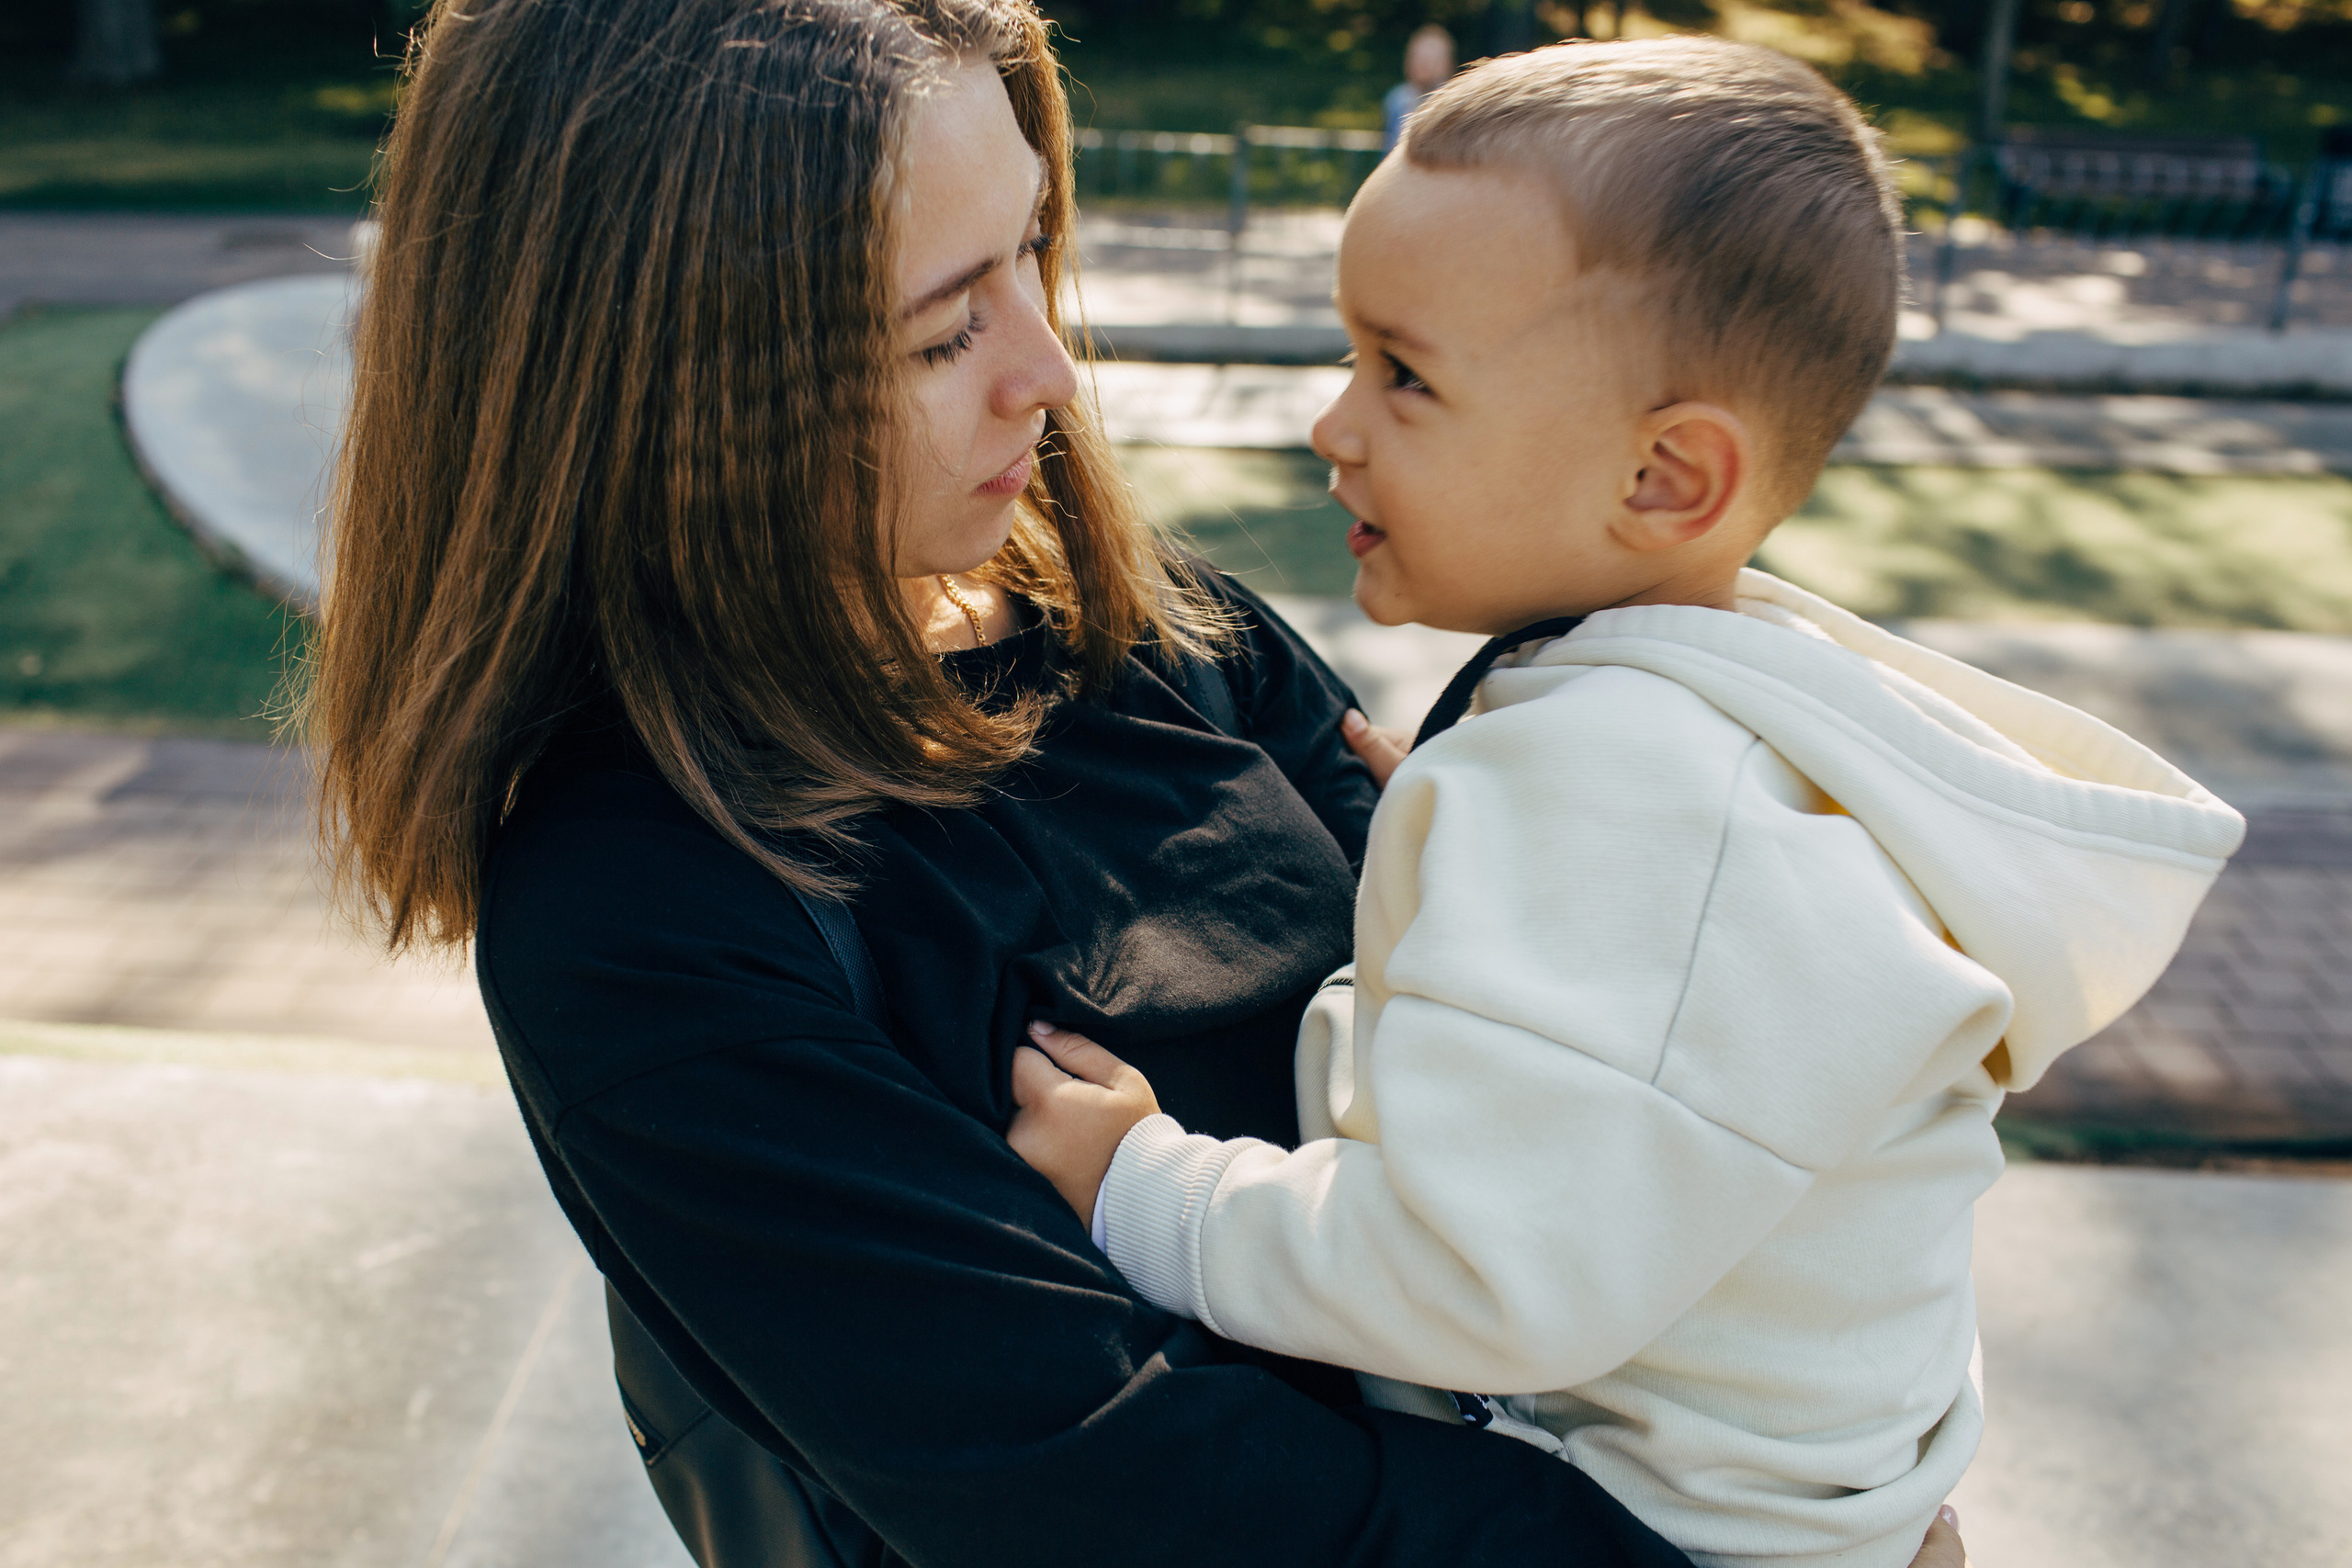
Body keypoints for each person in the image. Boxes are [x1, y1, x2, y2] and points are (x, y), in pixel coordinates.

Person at [309, 2, 1951, 1565]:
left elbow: (1614, 1096)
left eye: (1029, 248)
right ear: (674, 380)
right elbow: (1125, 1495)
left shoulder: (1168, 631)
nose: (1048, 365)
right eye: (947, 326)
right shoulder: (645, 907)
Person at [1006, 38, 2241, 1568]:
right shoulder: (1702, 728)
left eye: (1404, 374)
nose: (1333, 423)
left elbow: (1475, 1276)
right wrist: (1460, 843)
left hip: (1661, 1533)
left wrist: (1148, 1185)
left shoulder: (1616, 796)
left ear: (1666, 480)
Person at [1382, 24, 1453, 151]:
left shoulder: (1454, 104)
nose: (1421, 65)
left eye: (1429, 59)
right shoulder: (1397, 99)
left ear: (1446, 64)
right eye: (1417, 57)